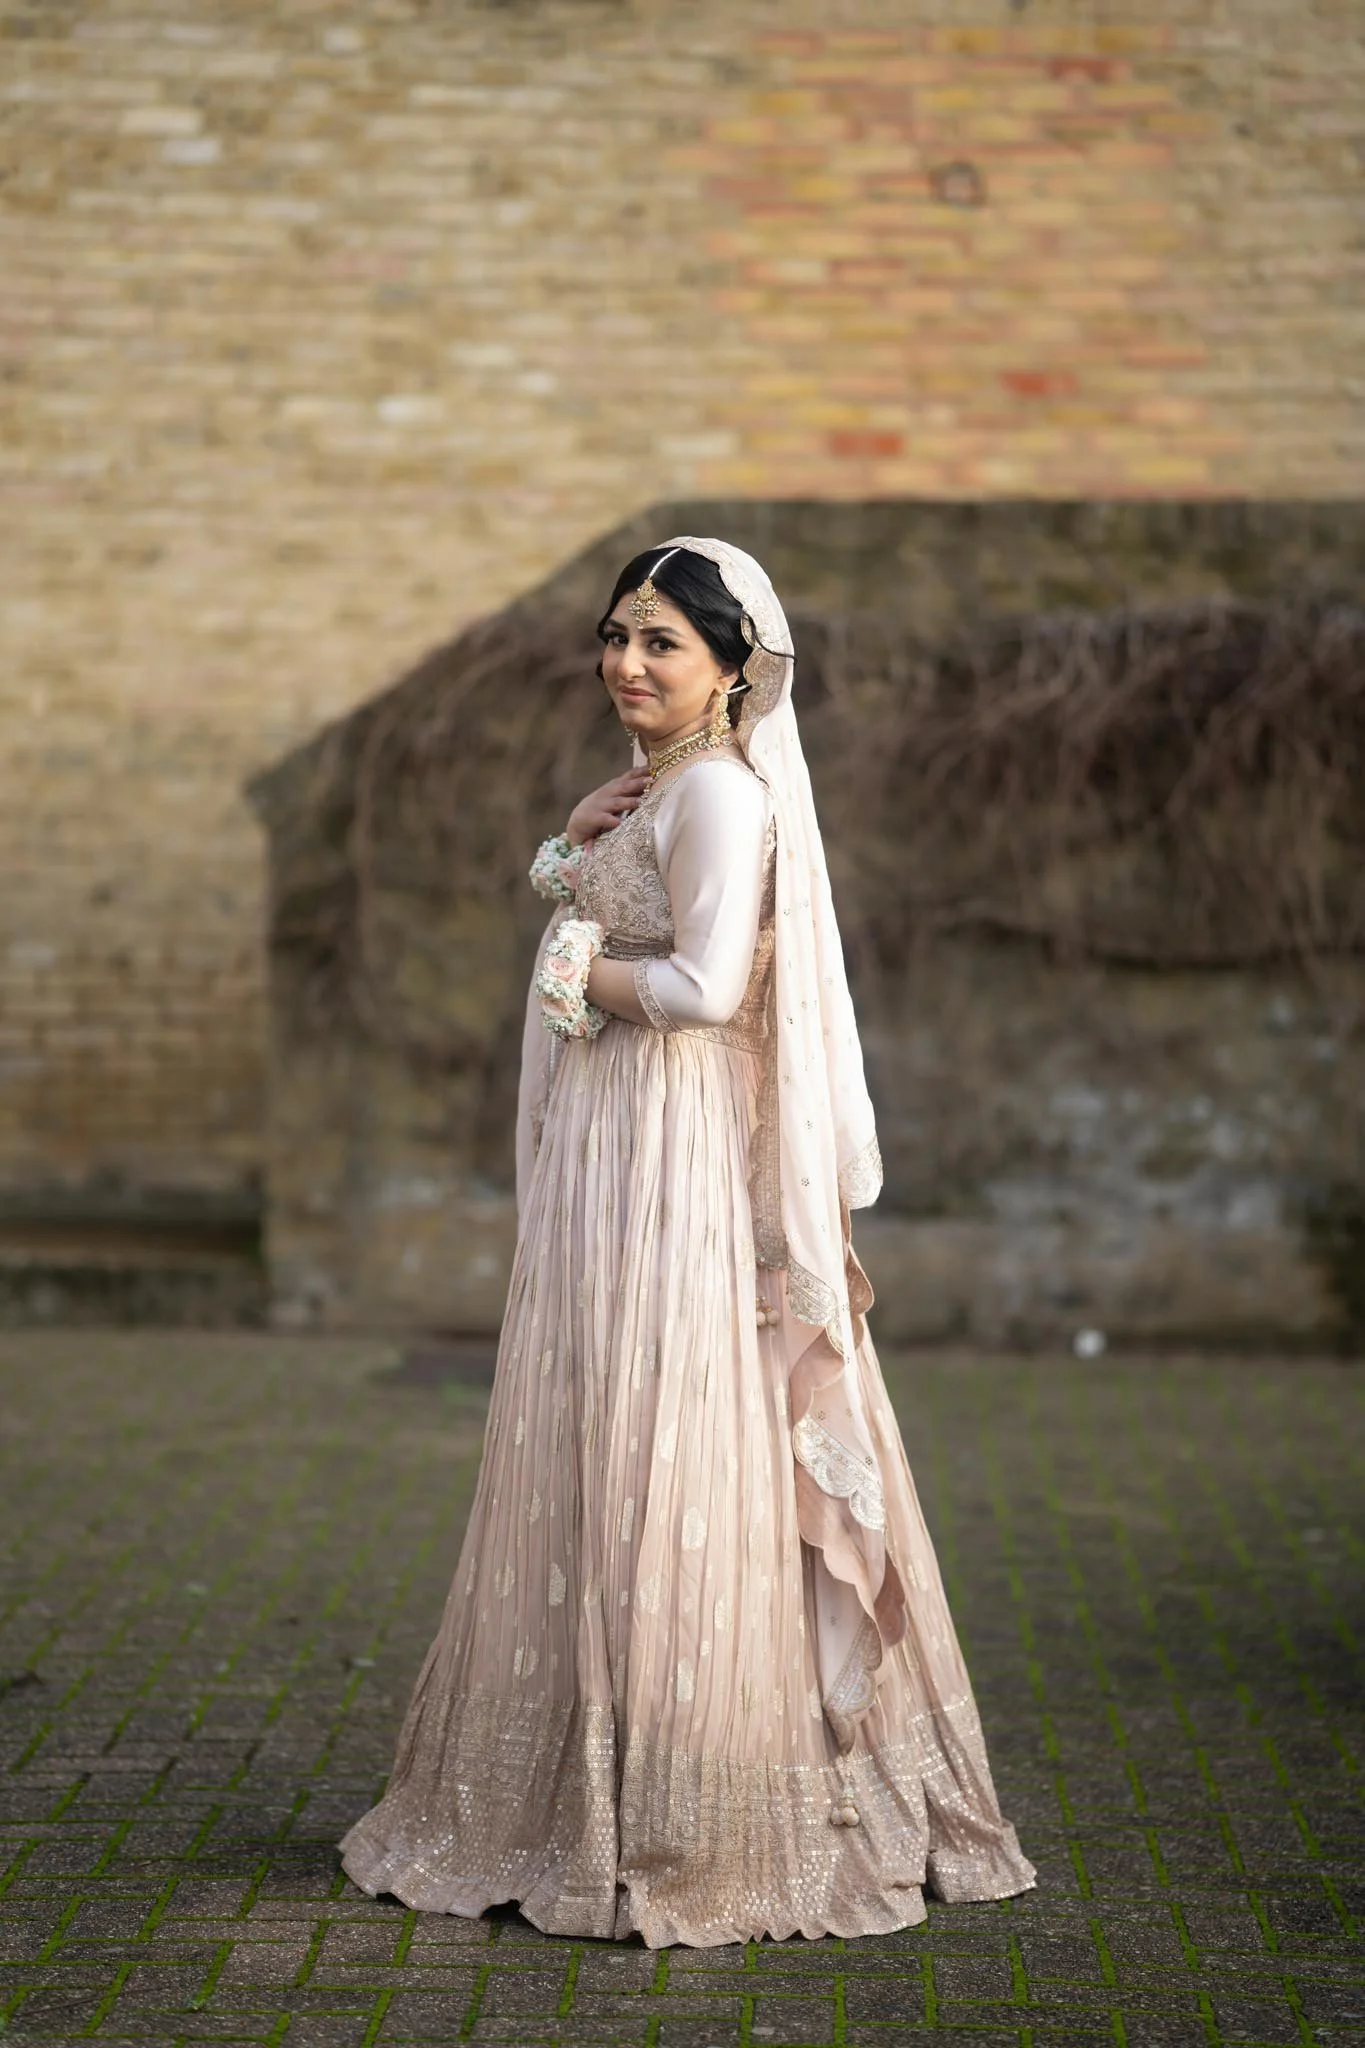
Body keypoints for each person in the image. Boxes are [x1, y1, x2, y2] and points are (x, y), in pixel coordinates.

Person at [339, 537, 1035, 1946]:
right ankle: (583, 1782)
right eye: (616, 635)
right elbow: (627, 906)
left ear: (733, 666)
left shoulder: (718, 791)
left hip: (669, 1142)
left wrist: (572, 960)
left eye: (661, 640)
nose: (626, 663)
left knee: (670, 1429)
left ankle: (686, 1803)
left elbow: (709, 986)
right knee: (607, 1423)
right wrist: (571, 851)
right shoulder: (663, 787)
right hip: (619, 1140)